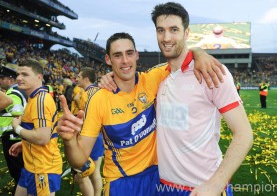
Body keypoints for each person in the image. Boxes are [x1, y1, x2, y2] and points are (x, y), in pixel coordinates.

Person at [57, 32, 225, 196]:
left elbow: (180, 57)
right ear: (108, 59)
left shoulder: (151, 79)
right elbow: (79, 160)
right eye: (117, 55)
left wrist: (199, 52)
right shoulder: (98, 100)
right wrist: (70, 141)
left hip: (159, 176)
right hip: (122, 183)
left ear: (136, 55)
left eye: (129, 53)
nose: (125, 61)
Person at [150, 2, 253, 196]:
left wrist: (216, 184)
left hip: (203, 188)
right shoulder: (158, 77)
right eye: (160, 30)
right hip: (164, 186)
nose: (166, 37)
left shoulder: (212, 73)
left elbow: (244, 134)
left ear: (187, 33)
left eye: (174, 30)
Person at [9, 59, 62, 196]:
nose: (19, 78)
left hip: (42, 168)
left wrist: (17, 128)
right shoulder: (34, 97)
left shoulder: (40, 100)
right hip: (31, 166)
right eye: (18, 74)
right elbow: (44, 132)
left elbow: (42, 138)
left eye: (25, 74)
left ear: (39, 77)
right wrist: (25, 142)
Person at [73, 67, 104, 196]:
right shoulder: (98, 91)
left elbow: (85, 118)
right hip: (99, 135)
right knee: (95, 171)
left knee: (88, 171)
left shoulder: (86, 94)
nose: (77, 79)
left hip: (90, 137)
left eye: (79, 77)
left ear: (86, 79)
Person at [0, 65, 27, 192]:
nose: (0, 81)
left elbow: (16, 112)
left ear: (11, 80)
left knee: (18, 174)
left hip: (12, 138)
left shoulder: (13, 93)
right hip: (19, 137)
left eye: (2, 78)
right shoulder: (21, 91)